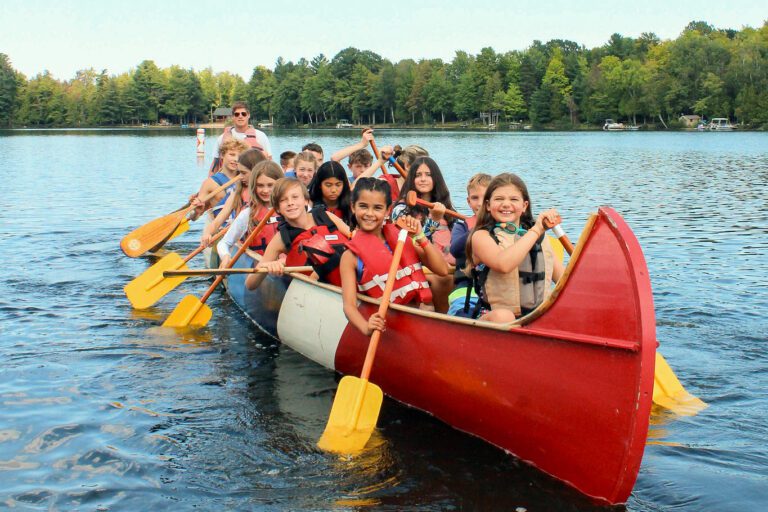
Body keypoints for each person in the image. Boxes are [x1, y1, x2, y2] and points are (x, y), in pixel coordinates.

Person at [340, 178, 448, 336]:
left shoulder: (402, 237)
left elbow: (442, 269)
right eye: (363, 206)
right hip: (396, 326)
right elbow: (349, 306)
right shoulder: (349, 257)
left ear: (387, 210)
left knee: (445, 281)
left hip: (426, 317)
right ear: (353, 207)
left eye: (377, 208)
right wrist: (366, 327)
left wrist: (420, 235)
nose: (370, 214)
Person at [465, 173, 565, 323]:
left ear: (524, 206)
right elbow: (503, 264)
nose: (506, 204)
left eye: (513, 199)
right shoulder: (481, 237)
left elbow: (564, 280)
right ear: (487, 205)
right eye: (499, 199)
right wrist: (537, 229)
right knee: (504, 316)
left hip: (536, 316)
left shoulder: (539, 238)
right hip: (494, 317)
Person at [245, 178, 350, 290]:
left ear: (306, 201)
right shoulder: (281, 239)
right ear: (277, 208)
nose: (290, 203)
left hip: (352, 283)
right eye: (283, 200)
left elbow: (355, 240)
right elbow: (250, 285)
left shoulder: (325, 216)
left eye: (295, 197)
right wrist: (266, 266)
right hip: (321, 293)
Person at [391, 156, 456, 313]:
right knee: (443, 280)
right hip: (421, 269)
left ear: (436, 179)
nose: (423, 179)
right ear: (411, 180)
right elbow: (416, 243)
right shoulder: (401, 210)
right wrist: (433, 220)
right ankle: (445, 322)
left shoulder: (445, 208)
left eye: (428, 175)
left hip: (450, 267)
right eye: (418, 175)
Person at [216, 161, 284, 267]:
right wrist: (226, 256)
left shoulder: (290, 210)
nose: (265, 190)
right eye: (260, 186)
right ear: (254, 187)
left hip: (287, 265)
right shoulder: (248, 214)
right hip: (260, 268)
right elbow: (224, 243)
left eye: (270, 185)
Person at [201, 148, 267, 246]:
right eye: (239, 172)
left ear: (255, 170)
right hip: (244, 241)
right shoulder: (238, 191)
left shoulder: (268, 192)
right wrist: (207, 233)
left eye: (244, 173)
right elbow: (219, 219)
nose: (240, 176)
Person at [447, 173, 491, 317]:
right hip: (467, 290)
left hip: (496, 291)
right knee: (462, 314)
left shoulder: (503, 226)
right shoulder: (461, 226)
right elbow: (455, 249)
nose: (479, 203)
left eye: (485, 198)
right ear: (468, 201)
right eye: (474, 198)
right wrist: (480, 228)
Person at [191, 139, 249, 221]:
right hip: (222, 230)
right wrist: (197, 212)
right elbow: (193, 218)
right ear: (222, 155)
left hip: (243, 230)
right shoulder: (209, 183)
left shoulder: (245, 179)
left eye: (240, 156)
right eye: (232, 154)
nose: (236, 159)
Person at [210, 101, 272, 174]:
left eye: (243, 114)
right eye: (236, 114)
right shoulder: (222, 138)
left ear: (248, 115)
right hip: (228, 180)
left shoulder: (261, 136)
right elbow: (215, 164)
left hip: (252, 179)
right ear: (233, 117)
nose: (240, 116)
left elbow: (269, 161)